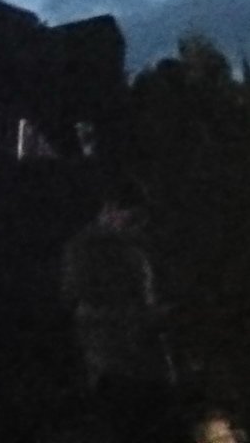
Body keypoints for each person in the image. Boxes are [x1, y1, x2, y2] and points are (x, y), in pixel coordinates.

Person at [59, 187, 175, 442]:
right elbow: (85, 303)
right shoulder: (87, 250)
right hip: (117, 365)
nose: (137, 226)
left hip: (144, 363)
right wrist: (143, 318)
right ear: (111, 208)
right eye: (133, 218)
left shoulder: (132, 248)